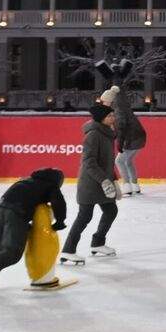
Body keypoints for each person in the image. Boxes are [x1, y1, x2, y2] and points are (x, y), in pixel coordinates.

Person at [0, 168, 67, 293]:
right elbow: (58, 202)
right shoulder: (50, 185)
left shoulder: (27, 181)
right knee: (12, 253)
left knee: (0, 248)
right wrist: (60, 222)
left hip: (1, 210)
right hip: (16, 214)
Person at [61, 104, 121, 266]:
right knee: (84, 216)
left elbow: (107, 163)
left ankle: (98, 242)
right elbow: (88, 162)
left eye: (113, 115)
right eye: (110, 116)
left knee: (111, 210)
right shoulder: (94, 135)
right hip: (90, 183)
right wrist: (104, 180)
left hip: (103, 182)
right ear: (101, 118)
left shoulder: (107, 134)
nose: (113, 118)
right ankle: (68, 250)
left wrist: (114, 180)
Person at [108, 85, 146, 196]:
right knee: (128, 161)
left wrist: (119, 143)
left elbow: (121, 125)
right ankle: (135, 185)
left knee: (119, 161)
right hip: (139, 138)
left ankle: (127, 186)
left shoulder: (118, 109)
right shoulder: (124, 106)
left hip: (131, 139)